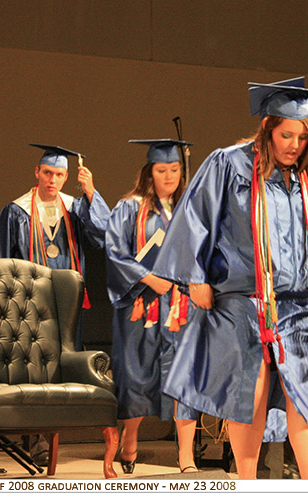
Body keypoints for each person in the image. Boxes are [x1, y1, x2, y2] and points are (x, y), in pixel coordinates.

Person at [152, 77, 308, 479]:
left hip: (301, 305)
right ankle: (246, 480)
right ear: (267, 128)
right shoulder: (229, 164)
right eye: (286, 134)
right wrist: (195, 277)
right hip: (243, 301)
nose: (294, 145)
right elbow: (195, 217)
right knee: (252, 392)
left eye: (302, 137)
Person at [0, 143, 110, 466]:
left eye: (58, 174)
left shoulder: (75, 207)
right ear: (36, 173)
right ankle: (36, 436)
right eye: (47, 173)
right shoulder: (16, 211)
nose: (52, 180)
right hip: (28, 304)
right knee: (31, 367)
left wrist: (90, 191)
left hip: (66, 304)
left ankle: (50, 432)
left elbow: (104, 234)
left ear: (66, 176)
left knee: (59, 366)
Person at [105, 138, 200, 474]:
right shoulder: (129, 208)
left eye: (175, 169)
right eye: (163, 170)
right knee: (136, 377)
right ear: (149, 172)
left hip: (180, 308)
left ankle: (186, 457)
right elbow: (115, 253)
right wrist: (148, 279)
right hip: (140, 307)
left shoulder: (188, 210)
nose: (169, 176)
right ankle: (129, 442)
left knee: (184, 378)